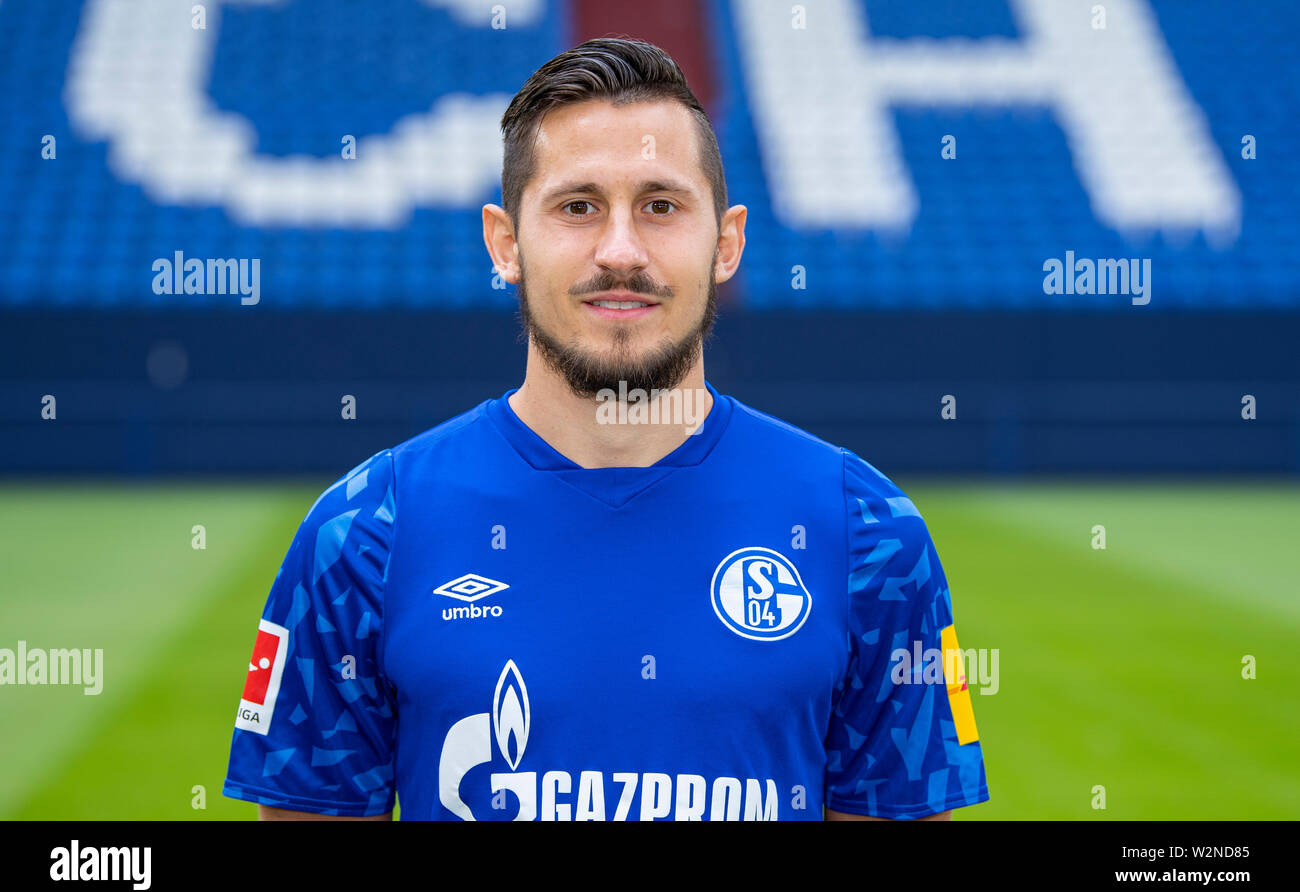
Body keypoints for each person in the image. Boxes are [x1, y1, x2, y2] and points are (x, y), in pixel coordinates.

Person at [223, 37, 988, 821]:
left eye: (660, 206)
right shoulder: (365, 532)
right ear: (504, 243)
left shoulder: (867, 533)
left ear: (725, 243)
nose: (620, 251)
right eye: (577, 206)